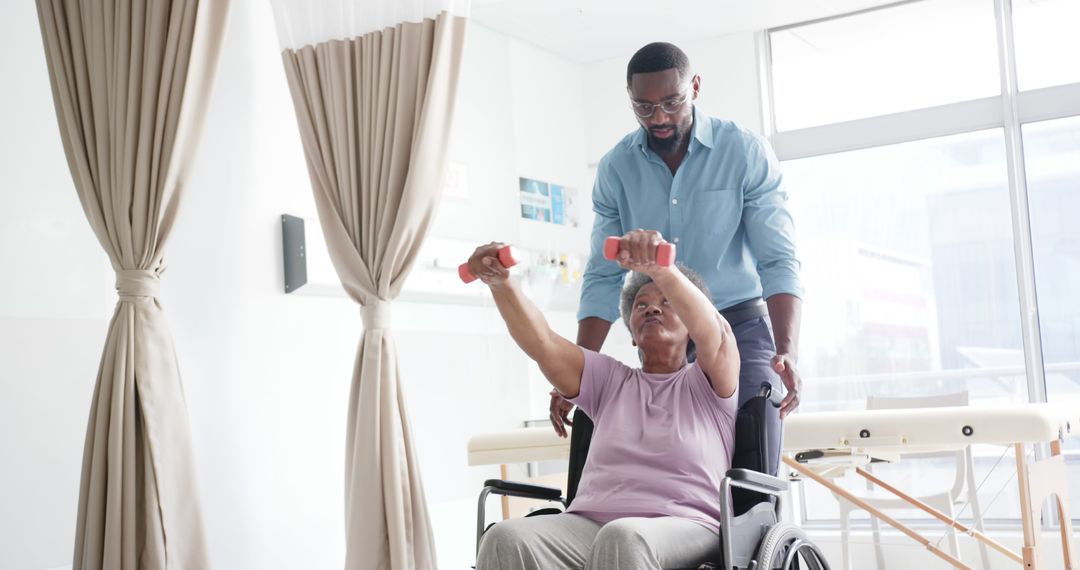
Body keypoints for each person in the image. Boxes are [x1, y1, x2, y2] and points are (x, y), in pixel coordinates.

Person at [552, 42, 803, 475]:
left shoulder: (743, 151)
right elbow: (600, 276)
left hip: (736, 327)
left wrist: (787, 351)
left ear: (696, 88)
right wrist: (574, 372)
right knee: (667, 464)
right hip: (662, 332)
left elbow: (778, 259)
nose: (660, 118)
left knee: (749, 462)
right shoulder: (616, 168)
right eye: (644, 108)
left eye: (672, 102)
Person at [469, 231, 740, 570]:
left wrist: (661, 270)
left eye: (666, 302)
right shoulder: (610, 381)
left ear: (690, 328)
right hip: (590, 524)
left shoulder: (708, 383)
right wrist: (501, 284)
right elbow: (543, 343)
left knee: (622, 537)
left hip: (686, 525)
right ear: (631, 333)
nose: (652, 308)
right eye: (641, 305)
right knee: (504, 539)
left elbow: (716, 333)